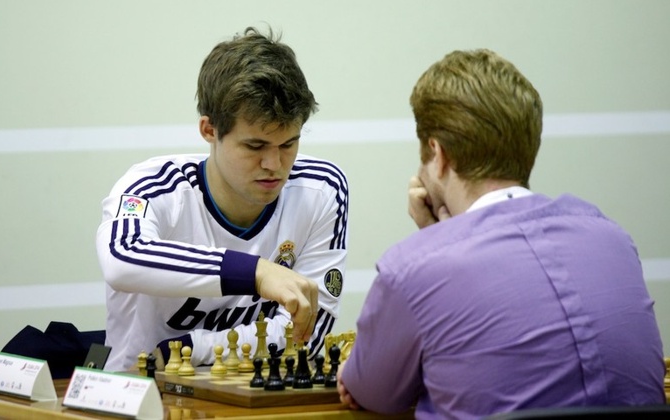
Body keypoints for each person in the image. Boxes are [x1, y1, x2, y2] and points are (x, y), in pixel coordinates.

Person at [337, 49, 665, 418]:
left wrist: (432, 244)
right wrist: (443, 237)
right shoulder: (613, 239)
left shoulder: (412, 268)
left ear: (438, 154)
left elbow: (370, 393)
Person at [96, 27, 349, 372]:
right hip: (140, 397)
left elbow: (308, 333)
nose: (274, 165)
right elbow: (120, 258)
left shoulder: (322, 189)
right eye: (255, 146)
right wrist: (256, 273)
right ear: (209, 131)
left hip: (248, 398)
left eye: (289, 144)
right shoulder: (151, 187)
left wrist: (194, 347)